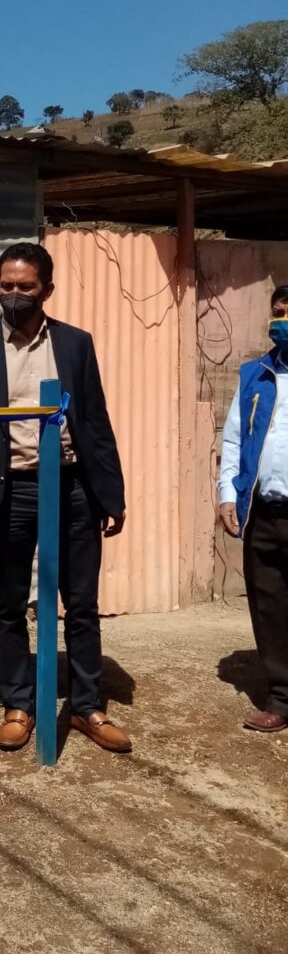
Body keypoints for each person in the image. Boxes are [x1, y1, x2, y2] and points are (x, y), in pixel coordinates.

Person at [0, 242, 130, 753]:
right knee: (9, 605)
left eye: (25, 287)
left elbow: (94, 421)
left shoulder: (74, 344)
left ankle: (87, 706)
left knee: (82, 604)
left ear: (46, 289)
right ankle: (18, 705)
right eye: (6, 285)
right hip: (11, 492)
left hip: (71, 488)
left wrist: (110, 495)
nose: (14, 295)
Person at [218, 285, 288, 733]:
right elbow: (233, 439)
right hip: (264, 512)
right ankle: (281, 695)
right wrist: (228, 492)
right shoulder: (254, 375)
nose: (282, 320)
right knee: (270, 605)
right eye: (279, 312)